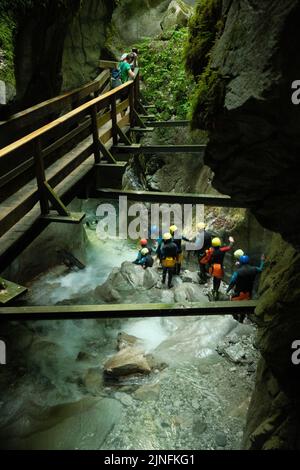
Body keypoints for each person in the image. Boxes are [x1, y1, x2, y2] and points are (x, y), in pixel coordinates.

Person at [227, 254, 265, 323]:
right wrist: (262, 261)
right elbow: (261, 269)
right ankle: (241, 320)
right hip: (248, 294)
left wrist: (228, 290)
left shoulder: (238, 272)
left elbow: (232, 282)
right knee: (244, 308)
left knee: (232, 306)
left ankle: (236, 317)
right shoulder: (254, 269)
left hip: (238, 294)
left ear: (240, 262)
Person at [208, 236, 235, 300]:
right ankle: (216, 292)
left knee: (215, 278)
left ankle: (214, 290)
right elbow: (229, 247)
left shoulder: (211, 251)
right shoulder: (221, 250)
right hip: (219, 267)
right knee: (218, 279)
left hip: (213, 267)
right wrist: (231, 241)